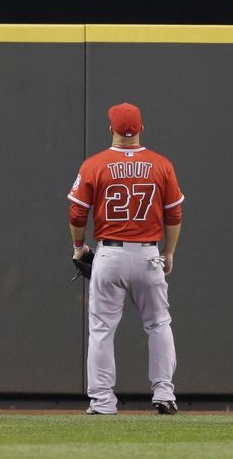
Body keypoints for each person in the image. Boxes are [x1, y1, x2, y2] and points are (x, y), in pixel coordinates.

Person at [67, 102, 184, 415]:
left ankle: (103, 401)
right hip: (149, 254)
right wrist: (169, 252)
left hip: (110, 253)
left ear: (111, 129)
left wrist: (79, 247)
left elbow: (77, 211)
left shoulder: (95, 164)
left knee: (102, 329)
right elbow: (174, 213)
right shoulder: (161, 164)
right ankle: (164, 392)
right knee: (159, 324)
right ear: (142, 129)